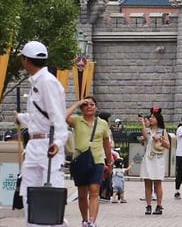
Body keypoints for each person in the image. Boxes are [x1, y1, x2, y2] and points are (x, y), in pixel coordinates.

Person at [14, 40, 69, 227]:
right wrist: (21, 118)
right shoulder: (37, 83)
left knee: (51, 196)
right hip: (35, 145)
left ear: (25, 60)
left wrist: (59, 142)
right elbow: (40, 118)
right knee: (29, 193)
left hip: (49, 145)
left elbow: (58, 117)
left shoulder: (47, 82)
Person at [66, 96, 112, 227]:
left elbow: (106, 144)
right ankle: (85, 219)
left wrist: (109, 162)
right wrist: (78, 103)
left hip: (97, 160)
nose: (89, 107)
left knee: (94, 191)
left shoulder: (102, 123)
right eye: (85, 105)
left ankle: (92, 221)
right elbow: (63, 117)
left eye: (92, 104)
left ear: (96, 107)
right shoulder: (77, 120)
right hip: (80, 161)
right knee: (82, 194)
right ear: (81, 108)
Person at [140, 107, 170, 215]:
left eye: (153, 117)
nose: (151, 119)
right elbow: (144, 136)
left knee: (158, 182)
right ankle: (148, 205)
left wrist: (160, 139)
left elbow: (168, 145)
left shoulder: (162, 131)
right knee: (147, 182)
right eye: (150, 117)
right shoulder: (147, 130)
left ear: (158, 119)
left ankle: (159, 205)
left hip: (158, 159)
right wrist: (143, 124)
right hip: (148, 158)